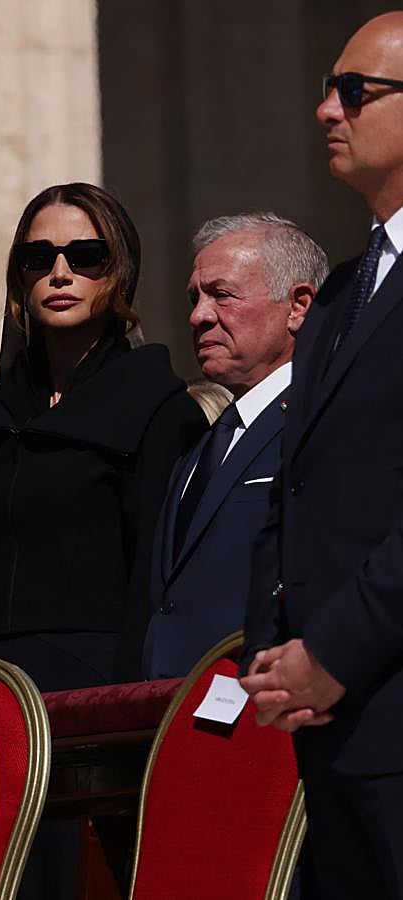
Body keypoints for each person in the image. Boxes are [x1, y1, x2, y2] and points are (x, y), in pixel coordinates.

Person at [240, 13, 403, 897]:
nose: (324, 111)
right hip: (325, 725)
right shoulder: (341, 292)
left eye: (354, 91)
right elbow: (291, 489)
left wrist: (334, 651)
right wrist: (274, 654)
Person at [0, 182, 207, 693]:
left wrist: (132, 698)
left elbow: (156, 584)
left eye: (87, 256)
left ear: (120, 270)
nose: (60, 273)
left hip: (99, 686)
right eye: (38, 257)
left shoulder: (158, 411)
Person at [143, 213, 327, 679]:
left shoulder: (323, 425)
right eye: (194, 298)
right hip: (172, 713)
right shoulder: (203, 440)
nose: (198, 315)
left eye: (221, 295)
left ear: (298, 306)